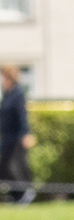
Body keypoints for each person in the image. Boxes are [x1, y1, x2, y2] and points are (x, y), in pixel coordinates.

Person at [0, 64, 34, 204]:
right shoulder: (7, 94)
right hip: (6, 138)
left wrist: (26, 133)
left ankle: (24, 194)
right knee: (4, 167)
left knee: (16, 167)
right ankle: (15, 195)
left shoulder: (18, 93)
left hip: (16, 138)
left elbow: (22, 115)